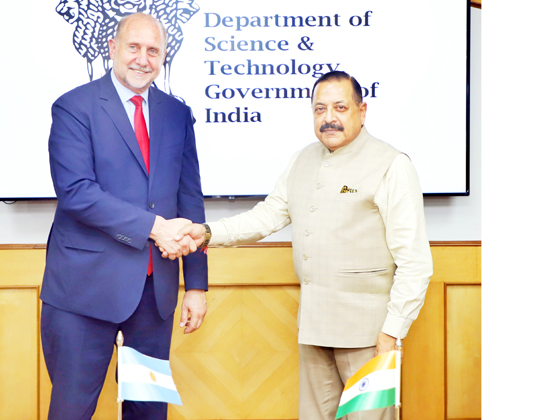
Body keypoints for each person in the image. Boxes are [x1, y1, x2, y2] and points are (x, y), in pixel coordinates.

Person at [171, 71, 433, 420]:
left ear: (362, 110)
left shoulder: (392, 165)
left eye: (340, 107)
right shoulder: (303, 159)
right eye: (320, 109)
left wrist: (391, 333)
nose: (329, 118)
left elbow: (415, 262)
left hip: (369, 334)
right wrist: (206, 232)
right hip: (314, 328)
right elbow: (266, 217)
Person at [39, 12, 208, 420]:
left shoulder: (176, 114)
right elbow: (77, 193)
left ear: (163, 57)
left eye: (153, 51)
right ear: (113, 48)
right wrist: (154, 228)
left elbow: (190, 200)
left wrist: (197, 284)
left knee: (148, 411)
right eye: (134, 47)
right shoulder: (74, 107)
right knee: (72, 411)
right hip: (83, 293)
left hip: (155, 295)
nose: (142, 59)